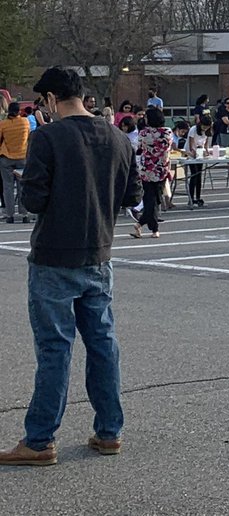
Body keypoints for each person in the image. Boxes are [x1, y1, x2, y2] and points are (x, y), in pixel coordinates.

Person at [0, 67, 140, 467]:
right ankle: (109, 430)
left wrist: (30, 181)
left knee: (55, 348)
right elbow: (130, 194)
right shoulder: (116, 136)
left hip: (53, 257)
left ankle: (40, 439)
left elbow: (34, 202)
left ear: (49, 100)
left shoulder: (47, 137)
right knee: (102, 343)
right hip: (99, 252)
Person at [131, 107, 172, 240]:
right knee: (155, 199)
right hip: (161, 169)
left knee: (150, 198)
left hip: (147, 169)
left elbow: (139, 149)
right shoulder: (167, 132)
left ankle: (141, 224)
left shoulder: (143, 133)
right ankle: (153, 228)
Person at [0, 100, 31, 223]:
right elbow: (28, 136)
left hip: (6, 157)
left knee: (7, 187)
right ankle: (24, 214)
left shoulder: (3, 124)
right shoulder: (25, 122)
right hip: (22, 156)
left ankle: (10, 214)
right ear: (19, 111)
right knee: (22, 186)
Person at [185, 115, 213, 207]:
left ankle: (198, 197)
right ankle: (191, 198)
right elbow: (191, 143)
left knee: (199, 175)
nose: (205, 128)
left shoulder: (207, 131)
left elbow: (206, 142)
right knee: (194, 175)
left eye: (207, 127)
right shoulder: (193, 129)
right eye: (204, 126)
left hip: (200, 152)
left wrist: (207, 151)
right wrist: (194, 153)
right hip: (191, 153)